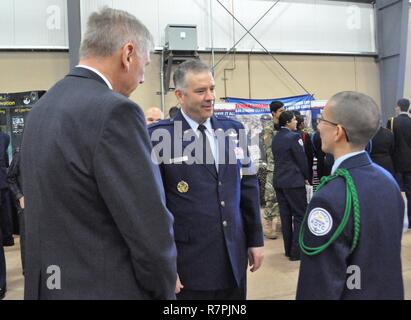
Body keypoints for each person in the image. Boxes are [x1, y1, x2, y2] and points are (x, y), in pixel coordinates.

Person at [20, 7, 177, 300]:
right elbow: (148, 227)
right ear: (128, 54)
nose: (143, 77)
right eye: (145, 63)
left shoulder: (42, 108)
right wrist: (164, 287)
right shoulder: (117, 112)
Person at [148, 59, 264, 300]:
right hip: (188, 264)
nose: (210, 96)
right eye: (201, 91)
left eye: (212, 88)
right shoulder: (159, 137)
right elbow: (152, 208)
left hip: (233, 258)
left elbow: (248, 187)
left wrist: (255, 240)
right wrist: (163, 265)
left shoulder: (234, 130)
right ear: (180, 95)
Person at [297, 91, 404, 299]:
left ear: (338, 131)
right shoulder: (389, 182)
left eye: (321, 120)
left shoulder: (328, 198)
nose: (318, 126)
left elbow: (318, 284)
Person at [272, 111, 309, 261]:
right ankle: (297, 252)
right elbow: (301, 159)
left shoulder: (276, 138)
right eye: (294, 120)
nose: (296, 122)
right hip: (293, 181)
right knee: (300, 215)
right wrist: (307, 177)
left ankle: (288, 249)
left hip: (279, 181)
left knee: (285, 216)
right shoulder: (294, 137)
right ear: (287, 122)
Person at [261, 101, 285, 239]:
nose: (282, 112)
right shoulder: (268, 129)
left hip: (285, 167)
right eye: (280, 111)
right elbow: (269, 150)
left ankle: (282, 223)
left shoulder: (285, 126)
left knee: (284, 196)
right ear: (273, 113)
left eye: (283, 110)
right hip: (273, 168)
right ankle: (268, 226)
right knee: (270, 197)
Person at [387, 98, 411, 227]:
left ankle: (397, 221)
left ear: (398, 107)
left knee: (395, 194)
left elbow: (390, 143)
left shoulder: (392, 122)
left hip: (396, 163)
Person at [7, 147, 25, 274]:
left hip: (42, 204)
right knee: (26, 239)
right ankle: (27, 270)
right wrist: (20, 196)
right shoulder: (20, 155)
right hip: (25, 206)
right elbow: (10, 178)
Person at [0, 130, 13, 247]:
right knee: (5, 210)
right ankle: (8, 237)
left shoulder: (4, 137)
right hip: (3, 178)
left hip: (2, 178)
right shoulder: (5, 137)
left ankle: (7, 236)